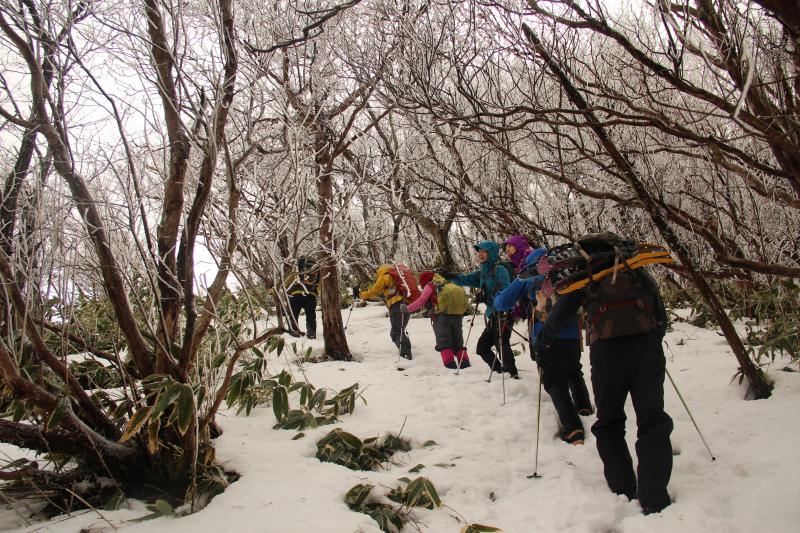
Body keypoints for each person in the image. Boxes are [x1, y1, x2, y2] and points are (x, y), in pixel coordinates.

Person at [533, 261, 673, 514]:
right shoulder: (634, 267)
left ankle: (624, 489)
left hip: (607, 352)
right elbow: (659, 311)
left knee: (609, 421)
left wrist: (543, 341)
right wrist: (654, 337)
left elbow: (561, 313)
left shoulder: (586, 273)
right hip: (647, 348)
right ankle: (654, 497)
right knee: (652, 419)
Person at [494, 248, 592, 445]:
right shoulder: (569, 271)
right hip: (572, 333)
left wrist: (498, 295)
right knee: (573, 370)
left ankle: (573, 429)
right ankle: (584, 408)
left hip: (545, 332)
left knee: (553, 379)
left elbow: (502, 303)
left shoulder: (530, 274)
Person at [447, 241, 518, 378]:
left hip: (504, 313)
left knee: (501, 343)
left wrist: (489, 297)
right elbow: (465, 279)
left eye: (484, 251)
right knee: (482, 348)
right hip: (492, 314)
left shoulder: (500, 270)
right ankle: (499, 371)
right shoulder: (482, 272)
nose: (480, 254)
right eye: (479, 251)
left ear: (491, 253)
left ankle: (512, 373)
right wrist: (450, 276)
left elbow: (506, 292)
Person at [401, 271, 471, 369]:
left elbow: (421, 301)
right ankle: (465, 364)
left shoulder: (430, 285)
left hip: (442, 316)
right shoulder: (448, 282)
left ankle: (450, 366)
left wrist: (407, 309)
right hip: (458, 315)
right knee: (458, 341)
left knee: (444, 341)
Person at [356, 265, 413, 360]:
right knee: (400, 330)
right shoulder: (400, 277)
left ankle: (406, 354)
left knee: (396, 332)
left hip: (396, 306)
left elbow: (373, 292)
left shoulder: (384, 277)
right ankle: (406, 352)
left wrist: (360, 294)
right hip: (407, 304)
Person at [285, 256, 319, 339]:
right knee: (311, 316)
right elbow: (320, 284)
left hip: (296, 295)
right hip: (310, 295)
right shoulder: (316, 270)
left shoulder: (296, 269)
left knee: (293, 314)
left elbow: (287, 282)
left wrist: (288, 290)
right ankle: (311, 333)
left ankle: (294, 331)